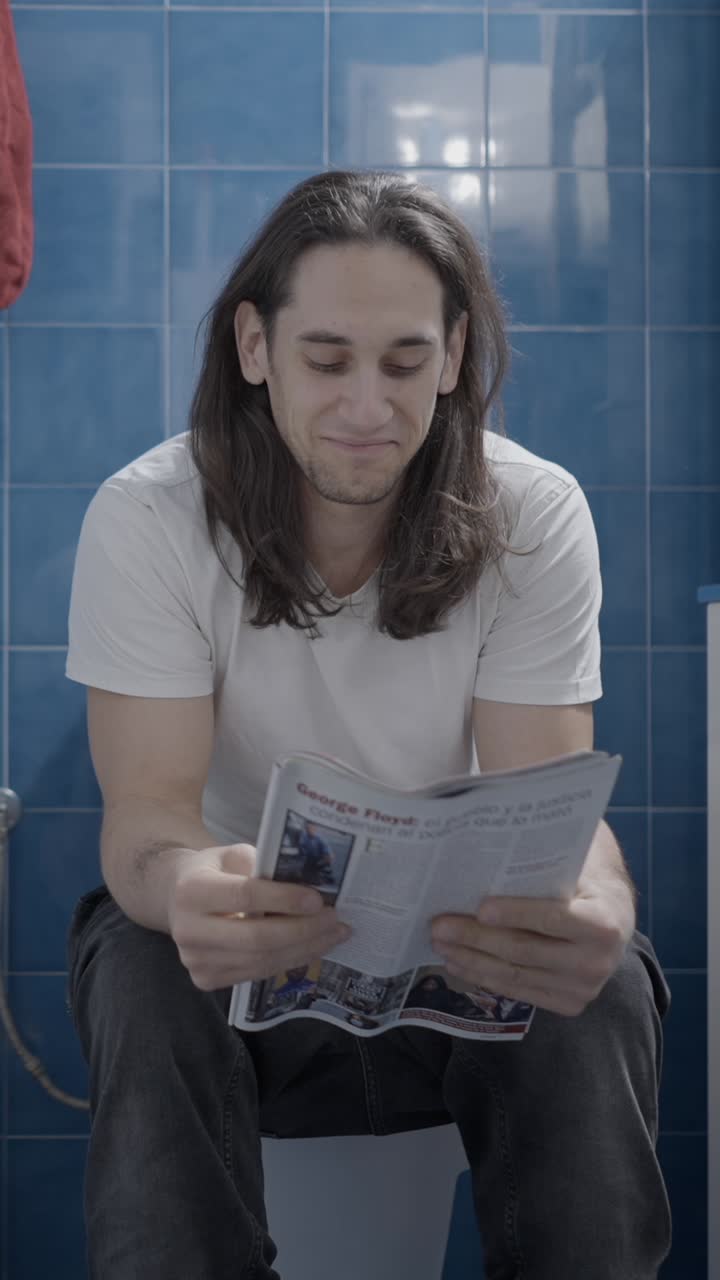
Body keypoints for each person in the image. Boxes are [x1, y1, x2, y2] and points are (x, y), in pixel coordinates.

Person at [65, 169, 671, 1279]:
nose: (365, 407)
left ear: (450, 356)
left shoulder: (533, 512)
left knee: (606, 977)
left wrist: (603, 900)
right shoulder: (149, 517)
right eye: (326, 358)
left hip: (455, 959)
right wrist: (194, 888)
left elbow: (551, 796)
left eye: (403, 362)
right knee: (146, 967)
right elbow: (147, 814)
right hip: (235, 972)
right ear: (255, 345)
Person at [295, 822, 335, 886]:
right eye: (307, 828)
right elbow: (301, 849)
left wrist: (322, 862)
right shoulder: (304, 837)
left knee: (312, 876)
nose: (309, 830)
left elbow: (330, 856)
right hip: (308, 859)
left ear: (315, 829)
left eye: (311, 828)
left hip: (319, 860)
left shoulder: (321, 840)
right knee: (302, 876)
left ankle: (321, 877)